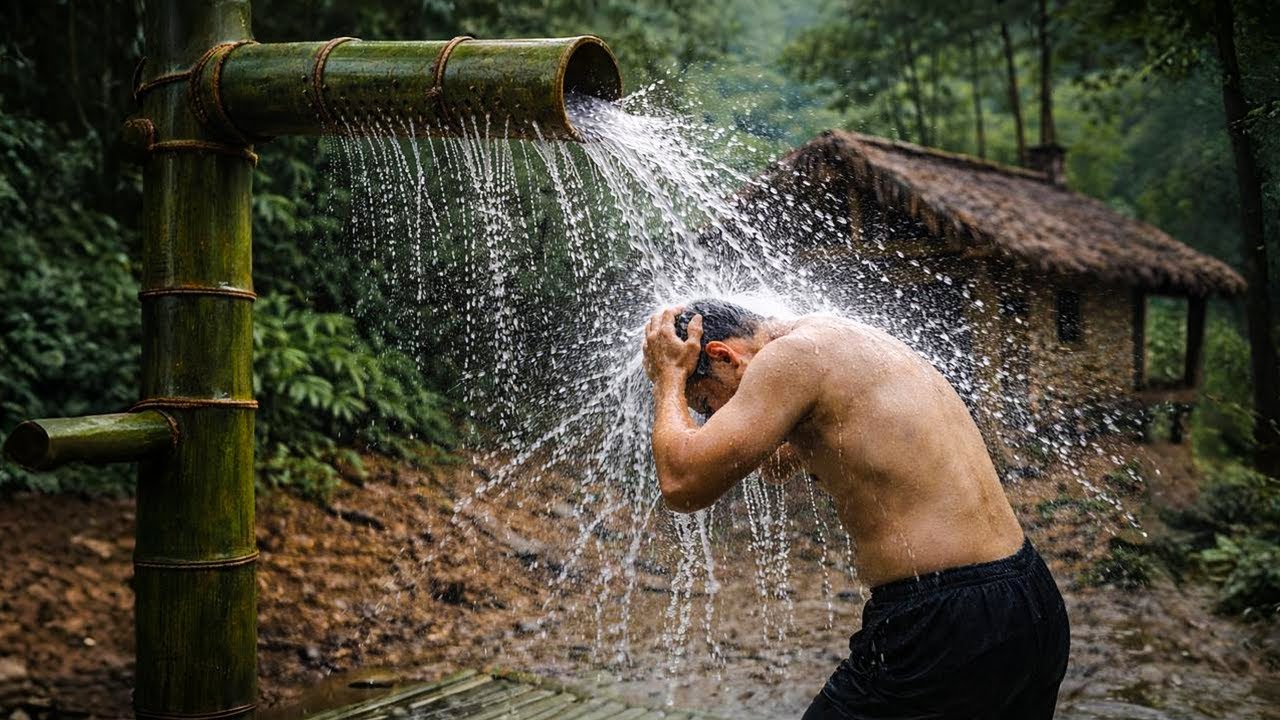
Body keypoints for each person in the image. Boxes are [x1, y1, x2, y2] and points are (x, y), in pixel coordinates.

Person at [642, 298, 1070, 720]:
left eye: (705, 404)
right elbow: (772, 465)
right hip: (1029, 599)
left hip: (947, 619)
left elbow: (682, 485)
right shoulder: (835, 338)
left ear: (723, 356)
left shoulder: (790, 358)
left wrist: (669, 377)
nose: (713, 418)